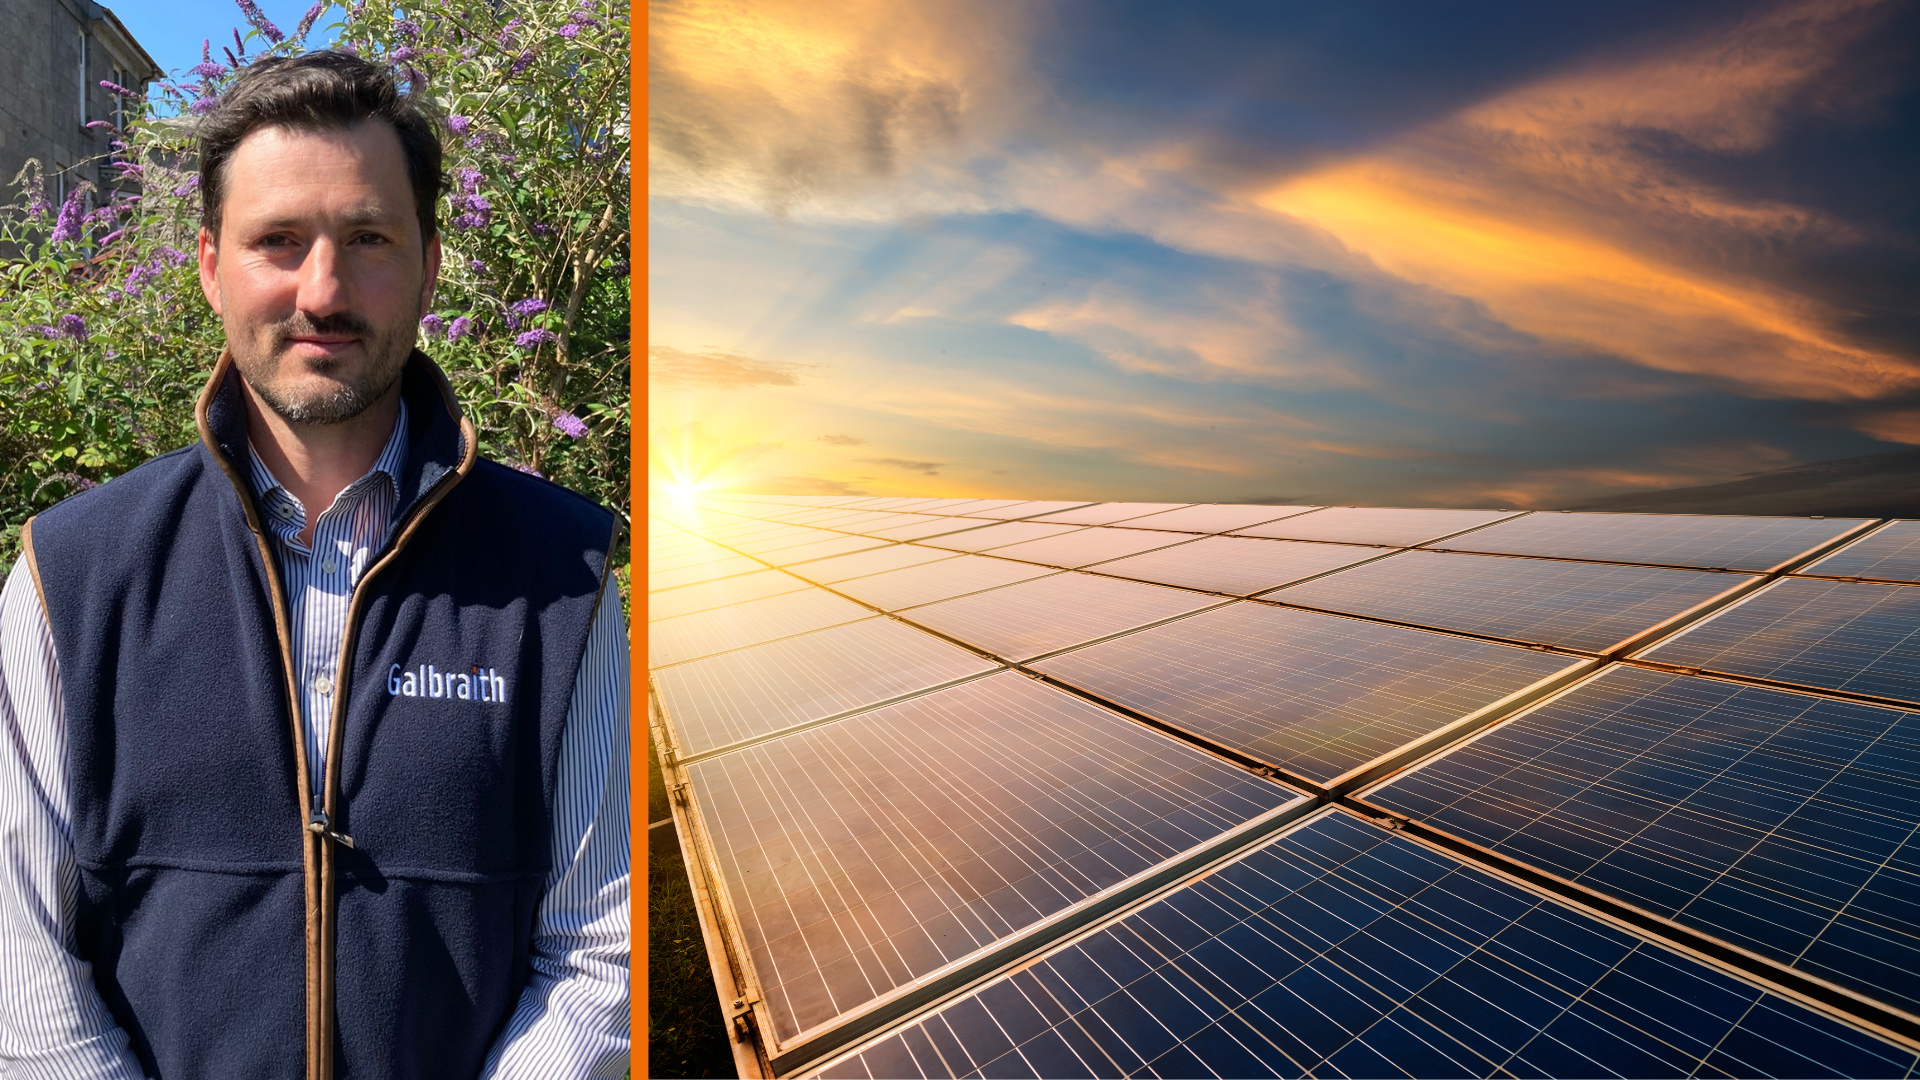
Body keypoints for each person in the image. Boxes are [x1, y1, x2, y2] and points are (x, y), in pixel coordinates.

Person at [0, 52, 629, 1079]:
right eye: (278, 241)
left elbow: (604, 957)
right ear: (211, 265)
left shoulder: (561, 583)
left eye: (368, 239)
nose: (323, 290)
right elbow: (20, 967)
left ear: (428, 264)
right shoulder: (70, 581)